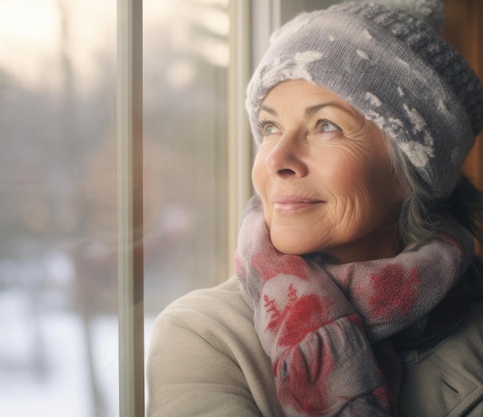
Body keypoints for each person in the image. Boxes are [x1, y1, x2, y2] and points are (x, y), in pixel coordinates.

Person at [146, 0, 483, 416]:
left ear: (411, 168)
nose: (276, 159)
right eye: (270, 127)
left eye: (326, 126)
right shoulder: (206, 335)